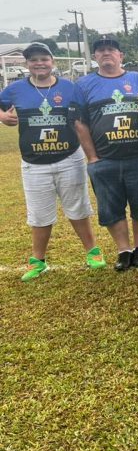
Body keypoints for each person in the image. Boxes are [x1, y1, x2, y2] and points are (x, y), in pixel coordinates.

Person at [0, 42, 106, 281]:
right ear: (27, 64)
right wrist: (2, 115)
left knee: (78, 208)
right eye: (34, 60)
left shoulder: (70, 88)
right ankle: (38, 261)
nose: (39, 63)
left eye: (44, 59)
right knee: (39, 215)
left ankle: (93, 252)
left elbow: (84, 118)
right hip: (34, 164)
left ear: (53, 62)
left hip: (69, 158)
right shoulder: (15, 89)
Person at [74, 35, 138, 271]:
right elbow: (80, 123)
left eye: (111, 49)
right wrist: (92, 158)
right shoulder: (84, 84)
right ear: (95, 57)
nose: (106, 53)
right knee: (111, 209)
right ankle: (124, 250)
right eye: (100, 51)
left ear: (121, 56)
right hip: (104, 159)